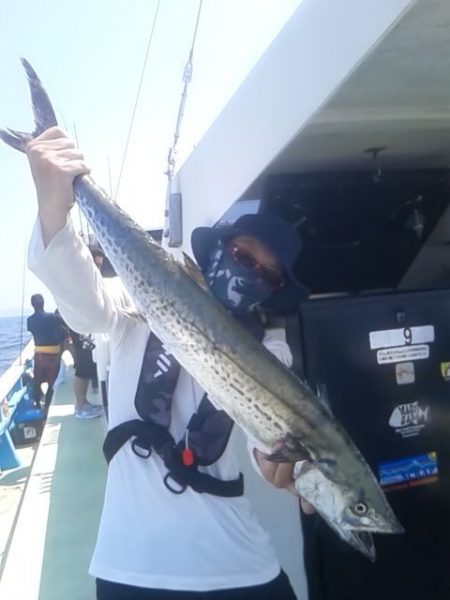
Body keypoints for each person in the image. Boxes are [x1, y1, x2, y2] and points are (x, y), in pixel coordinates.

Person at [26, 127, 313, 599]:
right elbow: (85, 306)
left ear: (274, 289)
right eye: (243, 256)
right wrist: (54, 210)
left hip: (242, 565)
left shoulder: (271, 351)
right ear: (217, 252)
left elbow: (267, 444)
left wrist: (284, 469)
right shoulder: (135, 300)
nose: (248, 275)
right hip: (133, 567)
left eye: (265, 273)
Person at [27, 293, 67, 411]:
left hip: (39, 355)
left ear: (32, 305)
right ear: (43, 303)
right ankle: (48, 406)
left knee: (38, 380)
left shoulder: (30, 320)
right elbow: (65, 324)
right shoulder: (52, 317)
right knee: (52, 382)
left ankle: (37, 403)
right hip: (53, 355)